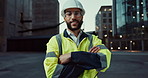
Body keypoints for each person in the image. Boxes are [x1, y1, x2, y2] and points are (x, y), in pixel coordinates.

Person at [43, 0, 111, 78]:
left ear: (82, 17)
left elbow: (104, 61)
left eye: (77, 13)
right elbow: (52, 74)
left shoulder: (93, 39)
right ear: (64, 18)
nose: (73, 17)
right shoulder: (55, 41)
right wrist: (87, 59)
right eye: (69, 14)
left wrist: (72, 57)